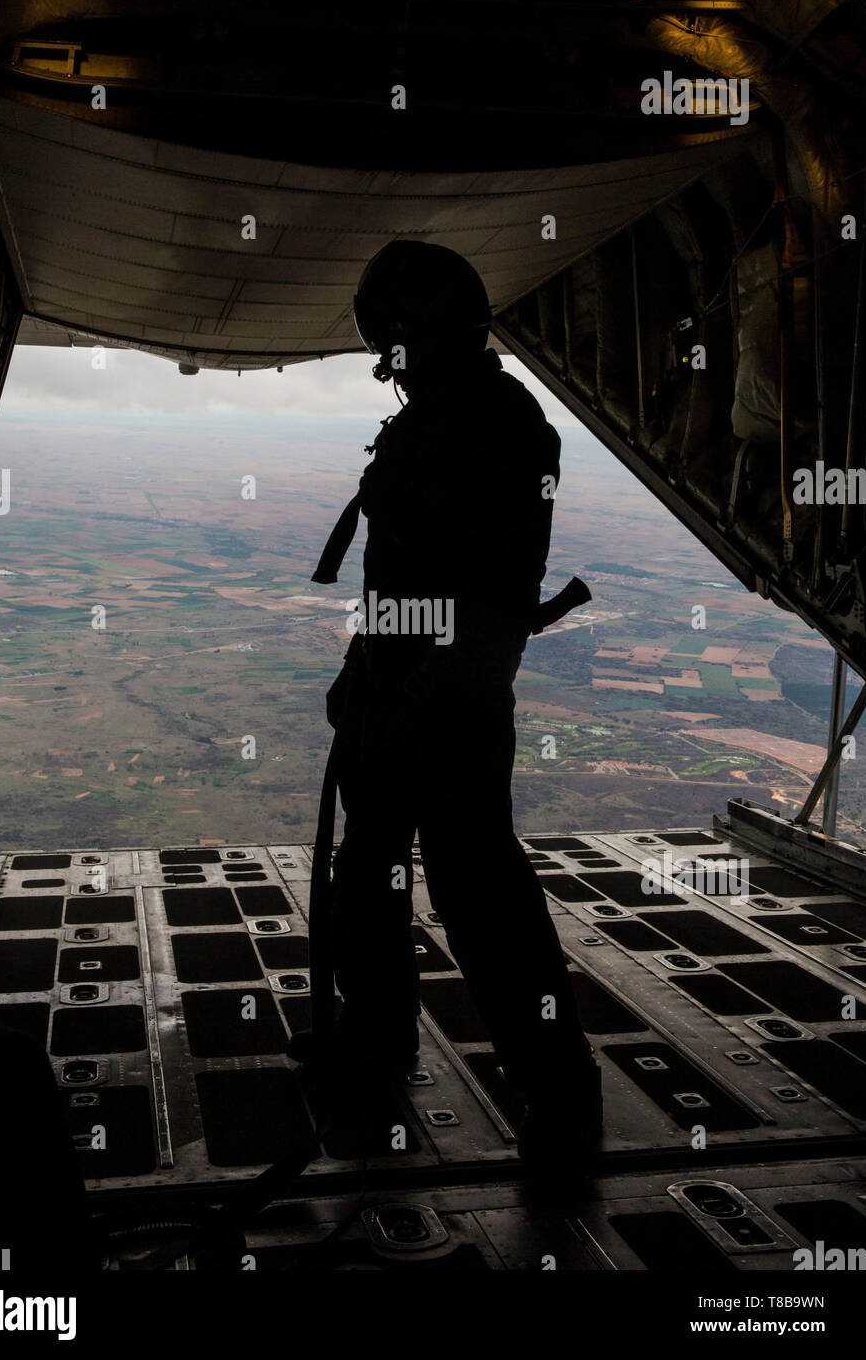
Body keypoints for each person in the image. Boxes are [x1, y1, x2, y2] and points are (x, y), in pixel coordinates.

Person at [299, 239, 602, 1189]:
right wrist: (372, 665)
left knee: (478, 895)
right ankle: (383, 1047)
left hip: (446, 702)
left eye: (390, 339)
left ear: (412, 331)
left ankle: (557, 1093)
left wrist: (396, 673)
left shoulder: (482, 423)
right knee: (383, 879)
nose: (385, 362)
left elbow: (467, 582)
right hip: (417, 693)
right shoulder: (463, 413)